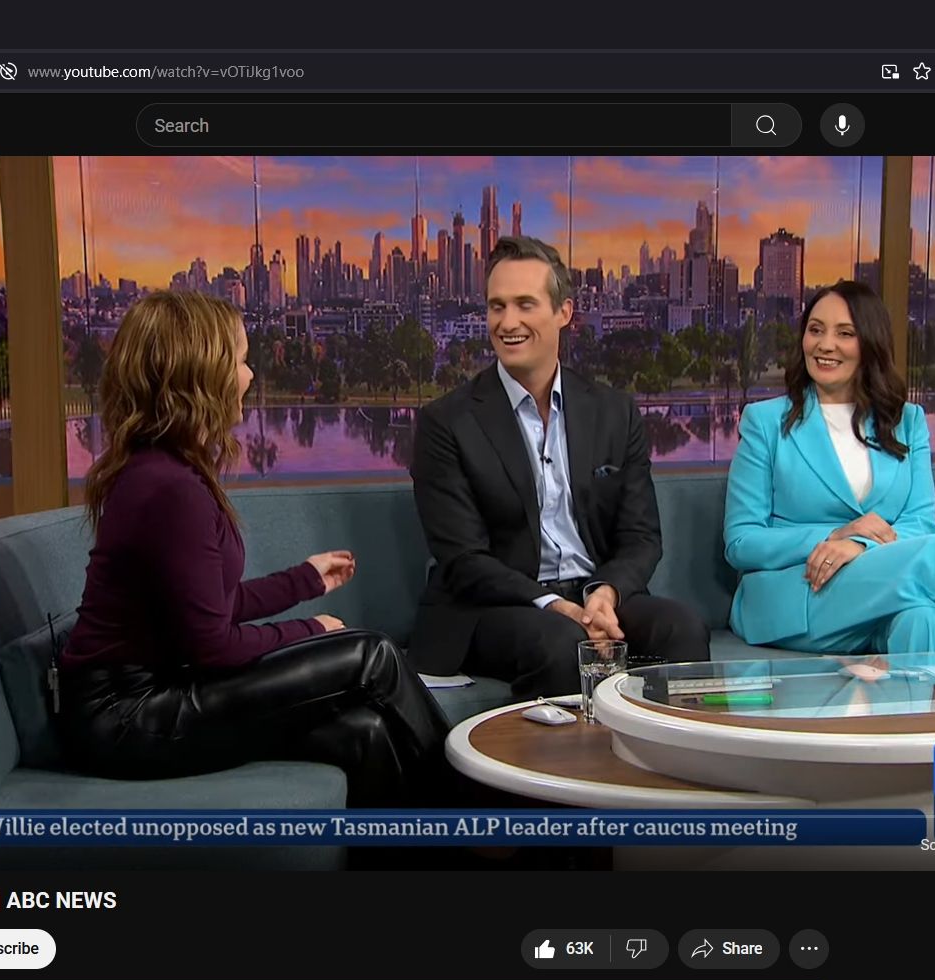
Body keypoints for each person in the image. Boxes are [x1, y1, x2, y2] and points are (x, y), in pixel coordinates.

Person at [58, 291, 448, 806]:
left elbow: (210, 609)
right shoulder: (168, 486)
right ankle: (479, 812)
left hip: (152, 693)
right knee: (371, 655)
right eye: (241, 361)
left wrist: (304, 580)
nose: (250, 375)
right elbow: (213, 646)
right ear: (202, 375)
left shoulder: (167, 471)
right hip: (127, 715)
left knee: (365, 733)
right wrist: (313, 629)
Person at [409, 236, 710, 698]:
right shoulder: (446, 422)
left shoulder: (614, 412)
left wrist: (604, 594)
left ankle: (666, 747)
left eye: (525, 304)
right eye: (496, 307)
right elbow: (464, 560)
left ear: (564, 312)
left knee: (682, 629)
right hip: (492, 608)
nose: (508, 322)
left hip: (594, 595)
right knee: (562, 645)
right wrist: (555, 605)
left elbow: (641, 537)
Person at [723, 280, 935, 657]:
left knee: (922, 619)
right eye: (816, 330)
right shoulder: (765, 422)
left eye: (845, 333)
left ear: (870, 344)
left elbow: (921, 523)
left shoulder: (907, 421)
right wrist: (834, 535)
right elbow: (741, 542)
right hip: (801, 594)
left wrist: (859, 545)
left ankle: (922, 698)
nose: (825, 345)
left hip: (881, 597)